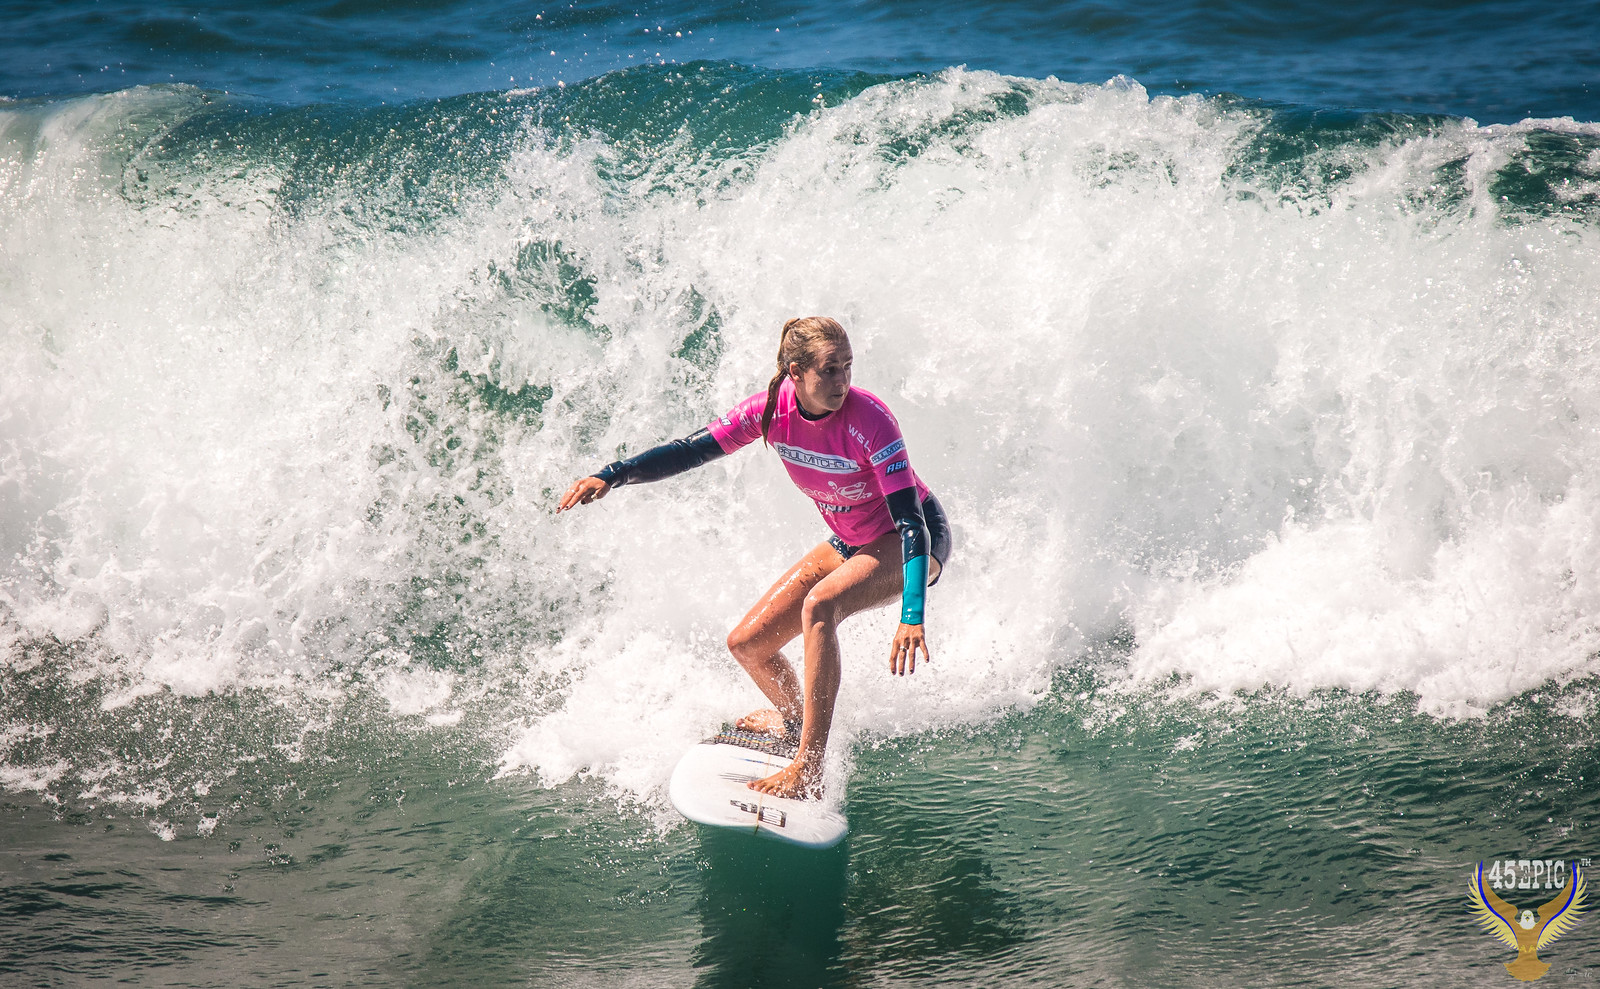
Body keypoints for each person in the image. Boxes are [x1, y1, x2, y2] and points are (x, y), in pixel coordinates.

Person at [557, 316, 952, 798]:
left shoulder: (871, 420)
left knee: (820, 606)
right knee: (748, 644)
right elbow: (688, 452)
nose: (842, 380)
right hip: (851, 538)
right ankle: (795, 722)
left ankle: (808, 768)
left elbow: (910, 522)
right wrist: (613, 474)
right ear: (795, 372)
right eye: (829, 370)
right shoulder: (769, 412)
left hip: (913, 539)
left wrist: (912, 615)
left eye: (848, 367)